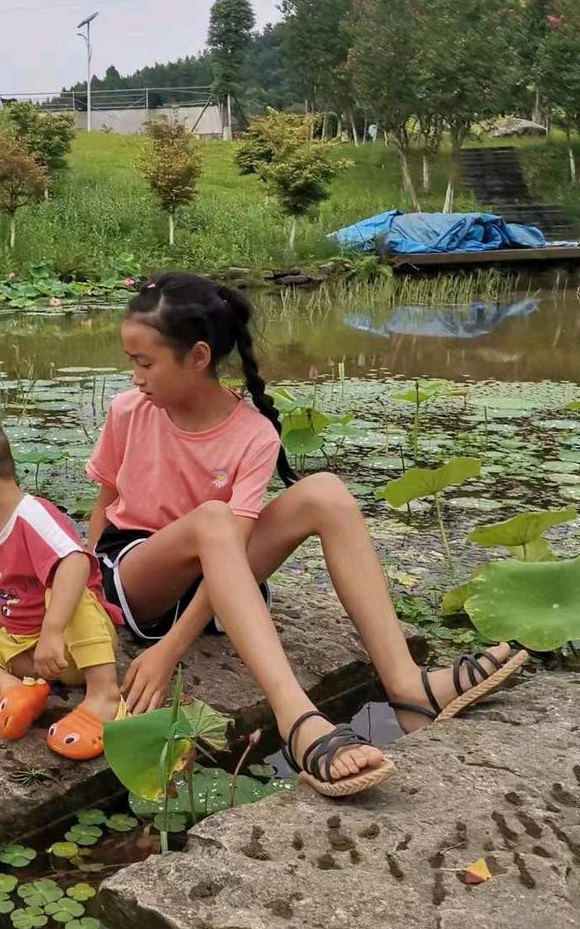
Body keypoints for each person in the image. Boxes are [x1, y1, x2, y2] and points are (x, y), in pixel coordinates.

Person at [86, 273, 525, 797]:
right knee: (214, 517)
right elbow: (105, 503)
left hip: (218, 574)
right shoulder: (129, 412)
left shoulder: (253, 433)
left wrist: (174, 647)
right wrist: (92, 605)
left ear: (198, 356)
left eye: (145, 363)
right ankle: (296, 719)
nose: (135, 378)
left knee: (326, 492)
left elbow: (236, 548)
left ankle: (409, 689)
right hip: (139, 569)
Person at [0, 411, 126, 761]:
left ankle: (103, 694)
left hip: (69, 649)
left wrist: (53, 630)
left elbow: (76, 561)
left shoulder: (33, 515)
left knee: (66, 585)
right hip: (27, 653)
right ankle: (12, 689)